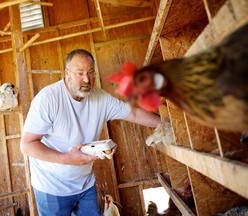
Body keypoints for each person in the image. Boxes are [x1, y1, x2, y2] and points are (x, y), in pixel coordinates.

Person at [20, 49, 161, 216]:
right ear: (67, 73)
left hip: (85, 184)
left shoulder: (100, 98)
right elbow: (27, 145)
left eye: (91, 72)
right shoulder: (48, 99)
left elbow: (133, 113)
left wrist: (165, 124)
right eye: (80, 73)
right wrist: (66, 159)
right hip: (51, 187)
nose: (87, 79)